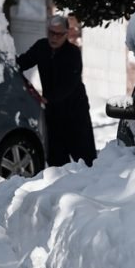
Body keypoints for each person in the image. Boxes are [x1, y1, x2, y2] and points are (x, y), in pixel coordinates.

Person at [16, 15, 96, 166]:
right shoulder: (41, 47)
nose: (54, 37)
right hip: (52, 114)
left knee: (86, 161)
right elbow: (22, 62)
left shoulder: (73, 53)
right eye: (51, 32)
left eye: (58, 34)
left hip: (75, 113)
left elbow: (69, 84)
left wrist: (48, 98)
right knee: (56, 161)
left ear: (66, 34)